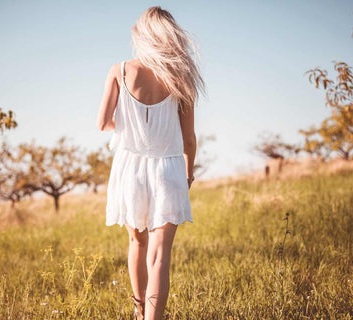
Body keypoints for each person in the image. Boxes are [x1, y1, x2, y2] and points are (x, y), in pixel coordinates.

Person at [96, 6, 205, 320]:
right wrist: (188, 173)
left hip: (130, 167)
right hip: (169, 168)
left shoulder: (120, 70)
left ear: (142, 36)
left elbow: (103, 122)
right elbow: (189, 139)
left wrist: (132, 127)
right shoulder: (182, 76)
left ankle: (137, 309)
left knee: (137, 243)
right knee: (160, 255)